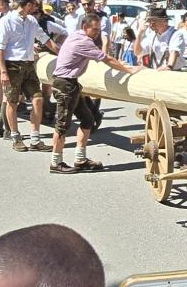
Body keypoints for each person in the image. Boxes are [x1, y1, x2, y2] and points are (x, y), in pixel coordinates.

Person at [49, 13, 142, 174]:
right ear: (85, 27)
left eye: (99, 29)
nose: (98, 32)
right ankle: (56, 162)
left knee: (88, 120)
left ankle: (80, 159)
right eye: (95, 29)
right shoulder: (83, 41)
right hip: (65, 85)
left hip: (70, 84)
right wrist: (128, 70)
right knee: (62, 125)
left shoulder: (76, 36)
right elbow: (106, 59)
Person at [0, 0, 52, 150]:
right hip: (12, 66)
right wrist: (3, 71)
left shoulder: (31, 20)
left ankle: (35, 139)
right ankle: (15, 137)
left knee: (38, 99)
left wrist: (61, 54)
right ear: (28, 5)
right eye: (34, 5)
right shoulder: (6, 21)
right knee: (12, 101)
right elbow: (0, 48)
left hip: (28, 65)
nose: (36, 8)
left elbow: (45, 38)